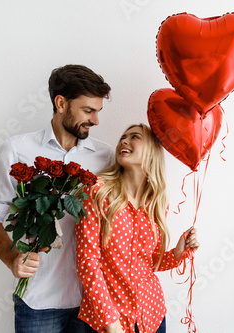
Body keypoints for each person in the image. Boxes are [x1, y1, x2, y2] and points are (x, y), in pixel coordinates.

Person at [0, 64, 113, 333]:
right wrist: (11, 257)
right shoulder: (17, 150)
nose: (96, 121)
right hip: (39, 302)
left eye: (98, 111)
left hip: (94, 302)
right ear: (61, 103)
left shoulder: (105, 157)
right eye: (88, 111)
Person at [74, 124, 200, 333]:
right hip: (107, 322)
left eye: (135, 137)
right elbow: (87, 262)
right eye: (123, 137)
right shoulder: (96, 192)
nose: (124, 141)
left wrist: (178, 253)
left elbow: (148, 264)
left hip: (151, 317)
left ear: (152, 151)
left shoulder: (157, 204)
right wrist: (110, 320)